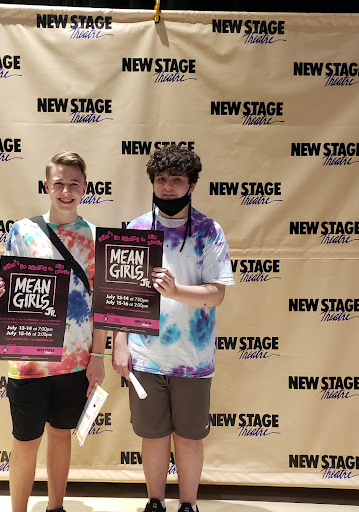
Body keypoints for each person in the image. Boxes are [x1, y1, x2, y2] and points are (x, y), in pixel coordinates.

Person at [0, 151, 106, 512]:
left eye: (74, 184)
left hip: (75, 361)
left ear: (85, 188)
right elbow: (11, 290)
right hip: (28, 361)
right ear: (47, 185)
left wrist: (98, 355)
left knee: (61, 435)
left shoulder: (97, 237)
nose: (66, 191)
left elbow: (102, 304)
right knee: (25, 441)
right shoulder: (22, 230)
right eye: (59, 183)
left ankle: (56, 508)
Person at [112, 144, 234, 512]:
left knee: (189, 437)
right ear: (152, 182)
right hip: (145, 355)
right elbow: (121, 296)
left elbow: (216, 295)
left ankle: (188, 504)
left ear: (191, 185)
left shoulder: (209, 230)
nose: (168, 186)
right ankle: (155, 502)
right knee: (153, 435)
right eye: (161, 179)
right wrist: (119, 343)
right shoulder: (136, 229)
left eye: (177, 179)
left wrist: (175, 290)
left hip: (193, 358)